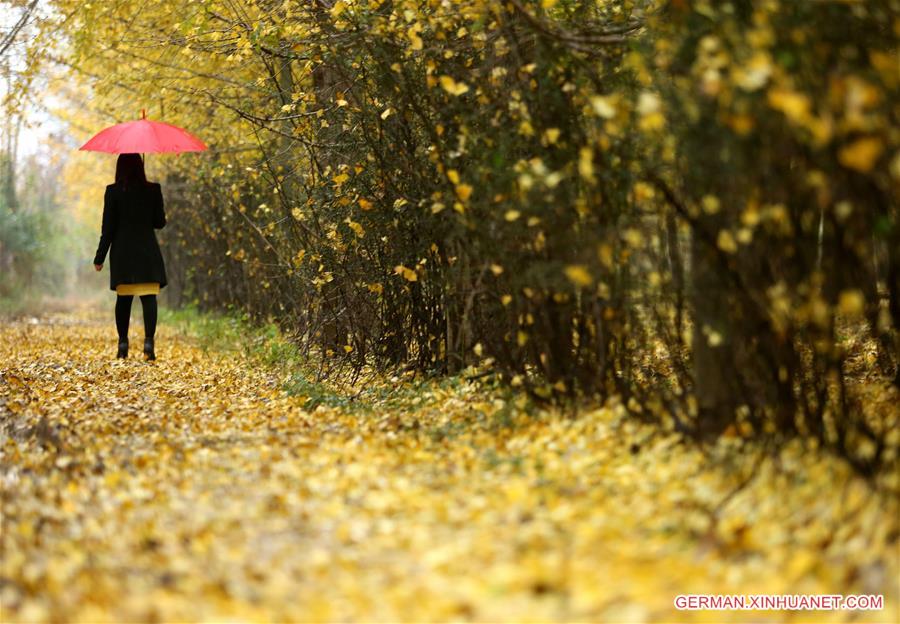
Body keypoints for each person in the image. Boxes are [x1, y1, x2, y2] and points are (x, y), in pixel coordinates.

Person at [93, 153, 167, 360]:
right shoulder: (153, 189)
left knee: (123, 300)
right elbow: (159, 223)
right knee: (148, 298)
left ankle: (123, 344)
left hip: (123, 254)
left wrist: (99, 257)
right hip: (147, 252)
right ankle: (149, 343)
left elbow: (107, 229)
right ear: (140, 167)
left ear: (119, 168)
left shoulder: (112, 191)